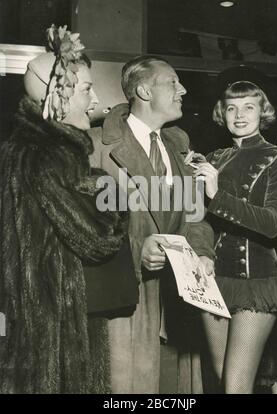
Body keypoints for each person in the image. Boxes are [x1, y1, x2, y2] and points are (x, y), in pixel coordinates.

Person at [0, 24, 138, 393]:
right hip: (59, 328)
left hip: (34, 318)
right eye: (86, 89)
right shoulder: (49, 156)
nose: (94, 101)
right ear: (57, 96)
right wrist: (112, 192)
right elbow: (99, 236)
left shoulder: (20, 150)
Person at [88, 55, 215, 393]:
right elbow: (89, 227)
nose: (183, 89)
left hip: (179, 298)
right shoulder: (97, 146)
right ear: (144, 90)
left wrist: (203, 253)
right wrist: (135, 248)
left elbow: (194, 216)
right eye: (173, 82)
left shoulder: (179, 148)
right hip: (126, 297)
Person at [193, 80, 277, 393]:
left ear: (263, 111)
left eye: (248, 107)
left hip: (258, 281)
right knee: (222, 376)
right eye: (231, 108)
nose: (239, 115)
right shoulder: (213, 158)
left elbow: (272, 224)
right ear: (222, 113)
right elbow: (197, 220)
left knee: (236, 384)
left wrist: (216, 195)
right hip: (213, 279)